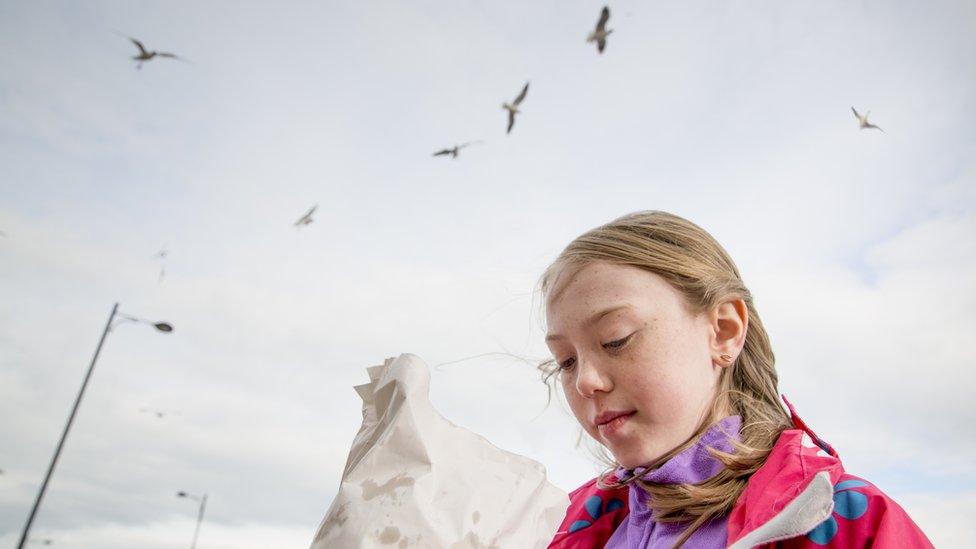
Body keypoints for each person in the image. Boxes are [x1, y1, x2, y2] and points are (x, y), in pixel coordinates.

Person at [540, 211, 933, 548]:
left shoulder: (850, 523)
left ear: (724, 331)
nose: (584, 382)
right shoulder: (550, 529)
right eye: (567, 361)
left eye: (616, 339)